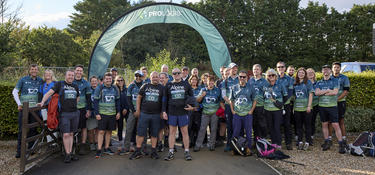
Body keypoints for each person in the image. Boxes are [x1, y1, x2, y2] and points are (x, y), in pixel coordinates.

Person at [38, 70, 80, 163]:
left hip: (74, 113)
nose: (71, 77)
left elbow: (78, 97)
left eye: (72, 75)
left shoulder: (75, 86)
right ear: (65, 75)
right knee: (65, 134)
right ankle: (67, 153)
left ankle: (71, 153)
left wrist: (73, 105)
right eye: (69, 75)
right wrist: (42, 102)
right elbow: (49, 93)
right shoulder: (59, 84)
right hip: (64, 114)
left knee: (72, 134)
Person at [129, 72, 165, 160]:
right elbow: (139, 97)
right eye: (154, 77)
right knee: (140, 133)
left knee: (154, 134)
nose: (155, 78)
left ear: (159, 78)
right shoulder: (145, 86)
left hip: (156, 115)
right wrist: (138, 110)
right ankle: (138, 151)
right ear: (150, 77)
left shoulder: (162, 88)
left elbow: (164, 101)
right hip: (144, 114)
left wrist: (162, 111)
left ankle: (153, 151)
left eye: (157, 77)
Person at [163, 68, 194, 161]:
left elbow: (192, 96)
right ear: (172, 75)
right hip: (172, 112)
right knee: (172, 133)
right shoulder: (168, 85)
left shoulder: (186, 84)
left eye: (178, 73)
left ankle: (187, 151)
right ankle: (171, 152)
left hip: (183, 112)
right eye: (174, 73)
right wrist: (164, 111)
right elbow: (165, 99)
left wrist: (192, 107)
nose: (176, 74)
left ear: (181, 74)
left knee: (185, 132)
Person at [13, 64, 43, 158]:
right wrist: (19, 104)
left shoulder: (40, 81)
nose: (34, 71)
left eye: (36, 69)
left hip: (35, 109)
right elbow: (14, 91)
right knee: (22, 130)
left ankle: (31, 150)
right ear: (29, 70)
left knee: (33, 130)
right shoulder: (23, 79)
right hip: (24, 109)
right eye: (32, 69)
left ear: (38, 71)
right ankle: (19, 151)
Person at [315, 65, 346, 154]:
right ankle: (327, 142)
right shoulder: (319, 82)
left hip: (332, 106)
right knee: (324, 124)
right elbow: (317, 93)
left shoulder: (335, 81)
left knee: (336, 124)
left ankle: (341, 144)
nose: (325, 71)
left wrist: (323, 92)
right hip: (322, 107)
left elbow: (335, 92)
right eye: (324, 69)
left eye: (327, 69)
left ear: (330, 71)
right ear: (322, 71)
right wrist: (328, 91)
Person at [93, 72, 121, 158]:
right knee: (101, 131)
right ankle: (98, 149)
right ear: (104, 79)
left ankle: (106, 148)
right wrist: (97, 113)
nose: (108, 80)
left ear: (112, 79)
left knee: (109, 131)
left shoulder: (115, 88)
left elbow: (117, 101)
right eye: (107, 79)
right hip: (102, 114)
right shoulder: (99, 88)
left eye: (110, 79)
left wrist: (118, 112)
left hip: (112, 114)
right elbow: (96, 101)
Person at [230, 70, 257, 155]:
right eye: (240, 77)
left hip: (247, 114)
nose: (242, 78)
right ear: (238, 77)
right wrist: (232, 111)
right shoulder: (234, 87)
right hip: (237, 114)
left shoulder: (251, 87)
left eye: (244, 77)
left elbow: (255, 100)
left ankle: (248, 149)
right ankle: (235, 149)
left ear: (247, 78)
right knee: (236, 132)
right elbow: (231, 100)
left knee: (248, 132)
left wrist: (251, 111)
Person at [194, 75, 223, 152]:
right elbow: (197, 100)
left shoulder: (217, 90)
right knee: (202, 129)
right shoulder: (203, 89)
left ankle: (212, 145)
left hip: (214, 113)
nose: (211, 83)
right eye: (209, 82)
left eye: (212, 82)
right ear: (207, 82)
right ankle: (198, 145)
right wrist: (202, 95)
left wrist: (223, 110)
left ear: (214, 83)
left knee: (213, 129)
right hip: (205, 113)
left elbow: (220, 101)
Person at [263, 69, 287, 148]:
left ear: (276, 76)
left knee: (277, 127)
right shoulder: (265, 85)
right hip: (267, 110)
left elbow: (285, 96)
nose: (271, 77)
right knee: (270, 127)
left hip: (277, 110)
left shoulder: (280, 84)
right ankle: (273, 143)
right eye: (269, 75)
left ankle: (279, 143)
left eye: (273, 75)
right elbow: (263, 96)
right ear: (267, 77)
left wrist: (281, 104)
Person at [124, 70, 145, 153]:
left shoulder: (145, 85)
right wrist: (134, 111)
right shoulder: (131, 86)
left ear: (142, 77)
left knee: (142, 129)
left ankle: (143, 147)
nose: (138, 78)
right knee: (129, 129)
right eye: (136, 76)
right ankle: (126, 147)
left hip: (143, 111)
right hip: (132, 111)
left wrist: (140, 110)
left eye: (140, 76)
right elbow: (128, 100)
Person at [329, 62, 350, 142]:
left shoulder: (345, 78)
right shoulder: (329, 78)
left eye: (338, 67)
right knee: (330, 121)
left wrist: (336, 99)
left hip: (341, 102)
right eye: (334, 67)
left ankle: (343, 138)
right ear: (332, 68)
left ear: (340, 68)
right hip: (330, 103)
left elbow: (346, 91)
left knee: (341, 120)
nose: (336, 69)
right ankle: (329, 138)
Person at [293, 68, 313, 151]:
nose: (301, 74)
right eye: (299, 73)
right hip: (297, 108)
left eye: (302, 73)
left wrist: (309, 106)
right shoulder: (295, 83)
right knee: (299, 126)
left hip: (306, 108)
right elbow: (294, 97)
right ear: (297, 74)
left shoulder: (308, 82)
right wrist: (293, 108)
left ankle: (307, 142)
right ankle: (300, 141)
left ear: (305, 74)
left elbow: (311, 94)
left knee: (307, 126)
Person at [276, 61, 294, 150]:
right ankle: (277, 142)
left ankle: (288, 143)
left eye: (282, 67)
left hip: (286, 104)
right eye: (279, 67)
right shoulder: (274, 77)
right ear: (277, 68)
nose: (280, 69)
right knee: (277, 124)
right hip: (275, 105)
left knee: (287, 124)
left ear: (285, 68)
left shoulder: (289, 79)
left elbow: (290, 92)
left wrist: (282, 102)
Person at [73, 65, 92, 147]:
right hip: (72, 108)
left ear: (82, 72)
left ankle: (83, 145)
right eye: (77, 70)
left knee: (83, 127)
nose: (79, 72)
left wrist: (88, 110)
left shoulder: (86, 83)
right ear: (74, 71)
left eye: (80, 71)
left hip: (82, 108)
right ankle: (73, 144)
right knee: (73, 127)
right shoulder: (70, 81)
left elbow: (88, 98)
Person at [221, 62, 239, 152]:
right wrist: (231, 102)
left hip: (239, 107)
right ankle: (229, 144)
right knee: (229, 125)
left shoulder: (240, 79)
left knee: (239, 126)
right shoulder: (225, 81)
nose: (235, 69)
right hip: (229, 106)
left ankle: (238, 144)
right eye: (233, 68)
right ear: (230, 69)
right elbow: (224, 95)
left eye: (236, 68)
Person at [249, 64, 268, 142]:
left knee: (262, 125)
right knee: (254, 124)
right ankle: (256, 142)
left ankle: (262, 141)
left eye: (257, 69)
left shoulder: (265, 81)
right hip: (251, 107)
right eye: (254, 69)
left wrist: (265, 106)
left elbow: (267, 95)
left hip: (261, 106)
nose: (255, 71)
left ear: (260, 71)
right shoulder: (250, 80)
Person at [39, 69, 57, 144]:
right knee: (46, 124)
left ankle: (54, 142)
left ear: (52, 75)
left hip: (53, 107)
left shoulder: (55, 84)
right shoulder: (42, 85)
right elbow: (40, 96)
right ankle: (49, 142)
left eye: (49, 73)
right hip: (44, 108)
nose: (47, 75)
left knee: (53, 123)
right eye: (46, 73)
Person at [188, 75, 201, 148]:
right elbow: (186, 99)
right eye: (192, 80)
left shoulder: (200, 89)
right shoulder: (188, 89)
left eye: (195, 80)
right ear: (190, 81)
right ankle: (189, 142)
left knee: (197, 127)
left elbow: (202, 101)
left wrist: (197, 108)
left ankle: (196, 142)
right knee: (189, 127)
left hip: (197, 110)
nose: (194, 81)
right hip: (189, 110)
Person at [114, 75, 128, 144]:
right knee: (120, 126)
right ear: (116, 81)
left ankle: (130, 141)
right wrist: (118, 111)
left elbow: (129, 100)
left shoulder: (127, 89)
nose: (120, 82)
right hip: (118, 111)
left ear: (124, 81)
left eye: (121, 80)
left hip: (126, 110)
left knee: (129, 126)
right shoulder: (114, 90)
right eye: (118, 80)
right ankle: (120, 141)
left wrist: (126, 108)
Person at [306, 68, 319, 145]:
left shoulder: (318, 83)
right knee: (307, 122)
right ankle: (307, 136)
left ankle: (311, 136)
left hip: (315, 104)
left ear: (314, 74)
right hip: (306, 105)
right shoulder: (305, 83)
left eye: (312, 72)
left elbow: (318, 93)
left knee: (312, 121)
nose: (310, 74)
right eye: (308, 73)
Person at [157, 72, 169, 150]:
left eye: (163, 78)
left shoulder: (169, 87)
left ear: (166, 79)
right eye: (160, 78)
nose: (161, 79)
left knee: (167, 127)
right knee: (160, 128)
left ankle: (167, 142)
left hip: (169, 110)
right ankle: (160, 143)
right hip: (159, 110)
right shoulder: (157, 87)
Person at [87, 76, 99, 151]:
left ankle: (97, 143)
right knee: (91, 129)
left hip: (98, 112)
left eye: (95, 81)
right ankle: (91, 144)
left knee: (98, 129)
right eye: (92, 81)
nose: (94, 82)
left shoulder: (100, 90)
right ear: (90, 82)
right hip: (91, 112)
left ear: (97, 82)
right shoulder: (88, 90)